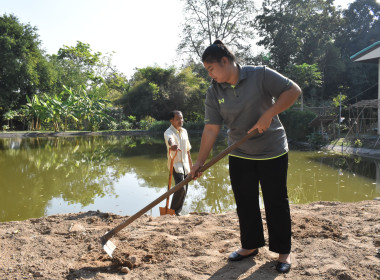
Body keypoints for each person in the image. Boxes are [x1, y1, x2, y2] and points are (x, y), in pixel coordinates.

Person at [189, 40, 301, 273]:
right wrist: (199, 162)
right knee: (245, 201)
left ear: (225, 61)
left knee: (276, 201)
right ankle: (250, 246)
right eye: (207, 71)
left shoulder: (259, 75)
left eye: (211, 69)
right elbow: (211, 128)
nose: (210, 74)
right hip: (239, 152)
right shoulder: (214, 91)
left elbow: (293, 91)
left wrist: (269, 113)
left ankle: (283, 253)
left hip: (272, 150)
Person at [164, 110, 193, 216]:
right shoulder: (168, 132)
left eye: (181, 118)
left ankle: (177, 212)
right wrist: (173, 146)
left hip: (186, 165)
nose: (181, 121)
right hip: (175, 165)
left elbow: (188, 150)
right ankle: (172, 212)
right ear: (171, 120)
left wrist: (191, 166)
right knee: (181, 188)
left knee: (185, 190)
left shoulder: (184, 131)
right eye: (178, 119)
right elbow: (170, 140)